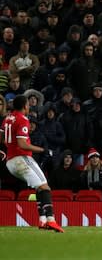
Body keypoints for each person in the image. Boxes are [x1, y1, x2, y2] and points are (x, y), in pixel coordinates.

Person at [0, 95, 63, 232]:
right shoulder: (23, 119)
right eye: (28, 104)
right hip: (21, 159)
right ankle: (51, 220)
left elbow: (2, 138)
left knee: (39, 187)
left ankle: (42, 220)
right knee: (45, 187)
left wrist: (10, 145)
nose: (29, 107)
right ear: (24, 106)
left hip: (10, 162)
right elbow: (23, 144)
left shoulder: (8, 119)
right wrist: (42, 150)